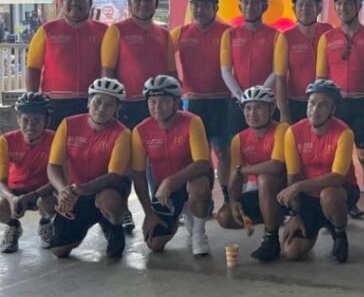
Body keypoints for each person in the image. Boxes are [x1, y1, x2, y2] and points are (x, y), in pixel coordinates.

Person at [316, 0, 364, 232]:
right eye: (338, 3)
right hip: (336, 106)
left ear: (358, 5)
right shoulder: (327, 38)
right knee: (336, 162)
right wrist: (320, 111)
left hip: (362, 104)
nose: (343, 7)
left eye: (348, 2)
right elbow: (320, 81)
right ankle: (335, 209)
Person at [46, 78, 132, 259]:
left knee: (108, 201)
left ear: (117, 109)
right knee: (59, 251)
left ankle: (113, 225)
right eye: (97, 102)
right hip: (76, 189)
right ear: (88, 102)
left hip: (107, 188)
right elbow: (53, 165)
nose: (101, 108)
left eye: (109, 105)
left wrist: (81, 190)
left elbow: (114, 175)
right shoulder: (68, 124)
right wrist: (63, 191)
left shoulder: (122, 133)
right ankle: (90, 219)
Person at [277, 79, 360, 263]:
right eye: (312, 103)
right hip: (308, 197)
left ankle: (339, 233)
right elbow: (292, 177)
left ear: (333, 109)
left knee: (329, 195)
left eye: (323, 105)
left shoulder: (344, 133)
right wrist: (295, 215)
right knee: (291, 252)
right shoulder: (293, 132)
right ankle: (322, 223)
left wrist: (299, 186)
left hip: (340, 193)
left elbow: (337, 178)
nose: (315, 109)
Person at [129, 75, 213, 256]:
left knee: (199, 186)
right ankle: (182, 210)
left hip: (191, 180)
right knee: (155, 244)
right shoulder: (140, 131)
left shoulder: (193, 121)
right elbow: (138, 175)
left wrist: (170, 182)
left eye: (164, 101)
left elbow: (202, 163)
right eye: (152, 102)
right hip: (166, 191)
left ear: (176, 103)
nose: (157, 107)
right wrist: (149, 213)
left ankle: (198, 232)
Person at [171, 0, 233, 203]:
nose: (199, 10)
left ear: (215, 7)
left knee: (224, 152)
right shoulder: (180, 33)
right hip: (193, 102)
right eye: (195, 5)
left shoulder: (227, 32)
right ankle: (203, 200)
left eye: (205, 5)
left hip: (222, 101)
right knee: (200, 155)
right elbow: (163, 59)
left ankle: (227, 198)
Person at [216, 86, 289, 262]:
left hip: (287, 193)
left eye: (259, 107)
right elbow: (235, 176)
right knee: (224, 216)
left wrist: (244, 169)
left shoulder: (282, 129)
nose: (252, 113)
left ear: (271, 109)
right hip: (263, 194)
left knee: (265, 178)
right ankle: (271, 218)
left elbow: (276, 166)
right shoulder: (239, 139)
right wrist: (234, 201)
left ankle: (271, 237)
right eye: (248, 108)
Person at [26, 0, 107, 129]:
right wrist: (31, 98)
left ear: (90, 3)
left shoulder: (104, 31)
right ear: (62, 2)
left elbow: (110, 65)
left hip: (92, 100)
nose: (75, 3)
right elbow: (33, 67)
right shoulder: (46, 30)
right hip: (55, 101)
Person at [101, 0, 175, 129]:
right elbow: (107, 69)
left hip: (159, 102)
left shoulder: (164, 33)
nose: (143, 4)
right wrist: (111, 99)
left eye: (148, 0)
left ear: (156, 4)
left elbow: (171, 71)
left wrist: (175, 100)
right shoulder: (117, 30)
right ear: (129, 3)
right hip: (128, 102)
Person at [0, 93, 57, 252]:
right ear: (18, 120)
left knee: (49, 205)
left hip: (44, 190)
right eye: (25, 120)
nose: (30, 126)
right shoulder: (6, 140)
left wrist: (33, 195)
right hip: (16, 190)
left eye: (37, 121)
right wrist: (11, 198)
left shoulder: (55, 140)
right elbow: (1, 180)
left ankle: (46, 223)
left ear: (47, 121)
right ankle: (13, 226)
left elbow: (59, 178)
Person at [221, 0, 278, 140]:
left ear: (264, 6)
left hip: (267, 101)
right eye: (246, 2)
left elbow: (278, 69)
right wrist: (240, 96)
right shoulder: (230, 34)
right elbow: (225, 70)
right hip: (238, 101)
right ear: (240, 7)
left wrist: (260, 94)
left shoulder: (275, 34)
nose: (250, 6)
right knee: (236, 146)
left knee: (269, 145)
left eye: (255, 2)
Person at [275, 0, 332, 124]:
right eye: (300, 5)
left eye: (309, 5)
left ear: (318, 9)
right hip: (296, 102)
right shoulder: (286, 37)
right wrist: (283, 112)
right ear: (294, 9)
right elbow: (280, 78)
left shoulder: (329, 31)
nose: (304, 9)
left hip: (325, 100)